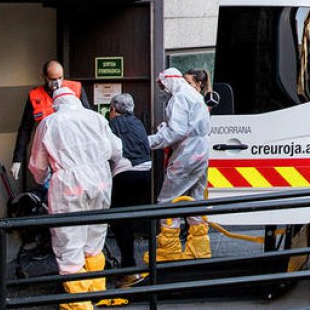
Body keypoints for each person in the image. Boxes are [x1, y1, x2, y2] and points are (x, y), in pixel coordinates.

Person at [28, 87, 123, 310]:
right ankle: (96, 291)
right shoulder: (96, 118)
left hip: (68, 185)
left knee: (69, 241)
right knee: (95, 237)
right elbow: (116, 149)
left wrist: (43, 180)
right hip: (100, 182)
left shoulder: (49, 123)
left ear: (56, 104)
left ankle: (79, 302)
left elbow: (38, 165)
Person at [149, 68, 212, 261]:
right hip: (201, 152)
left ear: (169, 81)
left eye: (162, 86)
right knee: (195, 200)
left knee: (167, 202)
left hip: (187, 153)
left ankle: (169, 252)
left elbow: (175, 131)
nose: (162, 90)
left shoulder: (179, 98)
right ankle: (199, 249)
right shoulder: (194, 95)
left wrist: (149, 141)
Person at [12, 60, 92, 182]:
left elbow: (88, 119)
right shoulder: (35, 96)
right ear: (44, 77)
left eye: (60, 78)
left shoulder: (75, 89)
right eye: (53, 79)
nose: (57, 82)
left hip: (74, 151)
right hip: (49, 153)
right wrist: (17, 159)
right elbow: (25, 129)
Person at [106, 94, 151, 276]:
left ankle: (128, 266)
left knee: (120, 220)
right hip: (147, 172)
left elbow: (109, 151)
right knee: (143, 216)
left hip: (126, 173)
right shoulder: (138, 123)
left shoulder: (113, 125)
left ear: (113, 110)